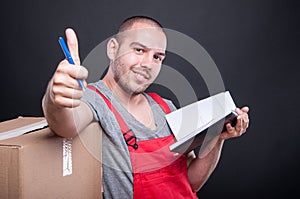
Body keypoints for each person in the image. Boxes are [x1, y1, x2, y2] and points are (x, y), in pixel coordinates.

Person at [42, 16, 250, 198]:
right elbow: (65, 124)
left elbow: (190, 183)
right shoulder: (94, 99)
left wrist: (217, 137)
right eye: (139, 50)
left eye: (157, 57)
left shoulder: (165, 107)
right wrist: (55, 96)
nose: (148, 64)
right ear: (113, 49)